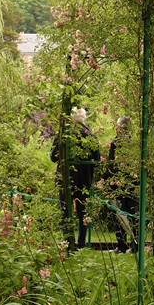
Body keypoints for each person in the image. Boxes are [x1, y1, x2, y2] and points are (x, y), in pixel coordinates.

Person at [50, 106, 100, 249]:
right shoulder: (91, 136)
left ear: (71, 119)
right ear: (84, 119)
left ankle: (68, 242)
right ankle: (82, 242)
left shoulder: (64, 135)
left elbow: (53, 157)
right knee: (82, 213)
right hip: (84, 181)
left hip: (66, 179)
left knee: (65, 212)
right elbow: (96, 161)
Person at [104, 115, 138, 253]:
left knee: (119, 215)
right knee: (133, 215)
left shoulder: (116, 143)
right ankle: (135, 246)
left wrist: (107, 184)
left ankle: (121, 246)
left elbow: (111, 165)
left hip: (118, 184)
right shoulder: (135, 143)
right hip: (133, 184)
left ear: (119, 128)